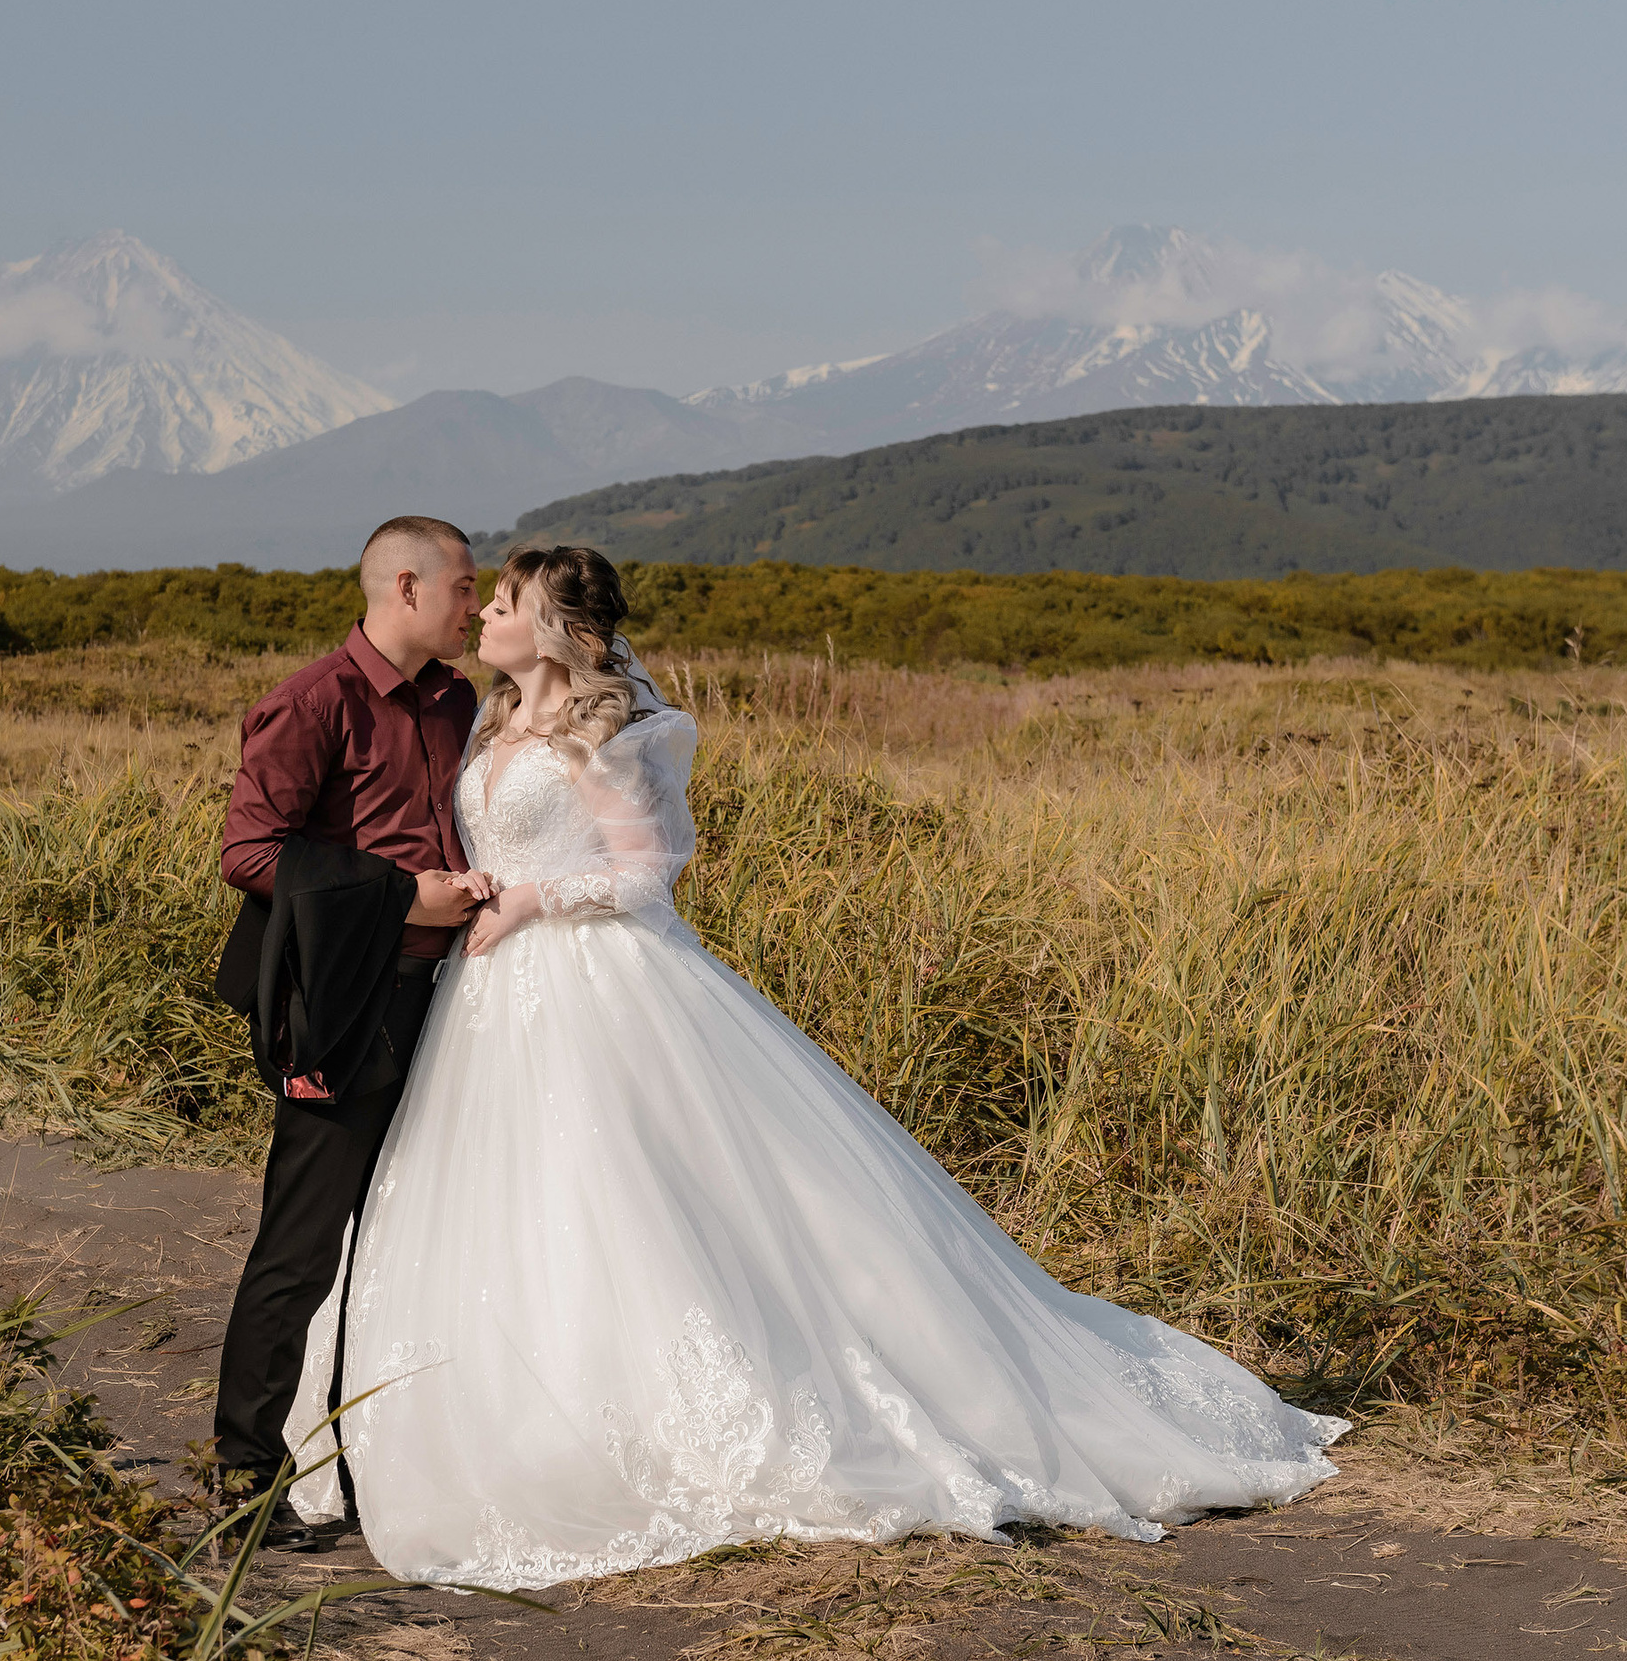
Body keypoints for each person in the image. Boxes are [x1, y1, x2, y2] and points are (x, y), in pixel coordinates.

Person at [277, 545, 1349, 1590]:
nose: (485, 617)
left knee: (636, 1192)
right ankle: (498, 1414)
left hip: (596, 978)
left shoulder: (610, 732)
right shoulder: (489, 717)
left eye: (504, 600)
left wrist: (532, 897)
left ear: (554, 626)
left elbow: (650, 869)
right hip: (489, 1001)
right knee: (506, 1201)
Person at [209, 514, 487, 1545]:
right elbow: (249, 851)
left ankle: (391, 1456)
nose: (476, 602)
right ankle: (244, 1471)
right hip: (350, 1000)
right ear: (406, 587)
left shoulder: (461, 700)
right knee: (305, 1236)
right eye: (463, 587)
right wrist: (398, 899)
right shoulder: (313, 700)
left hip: (460, 1001)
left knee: (423, 1231)